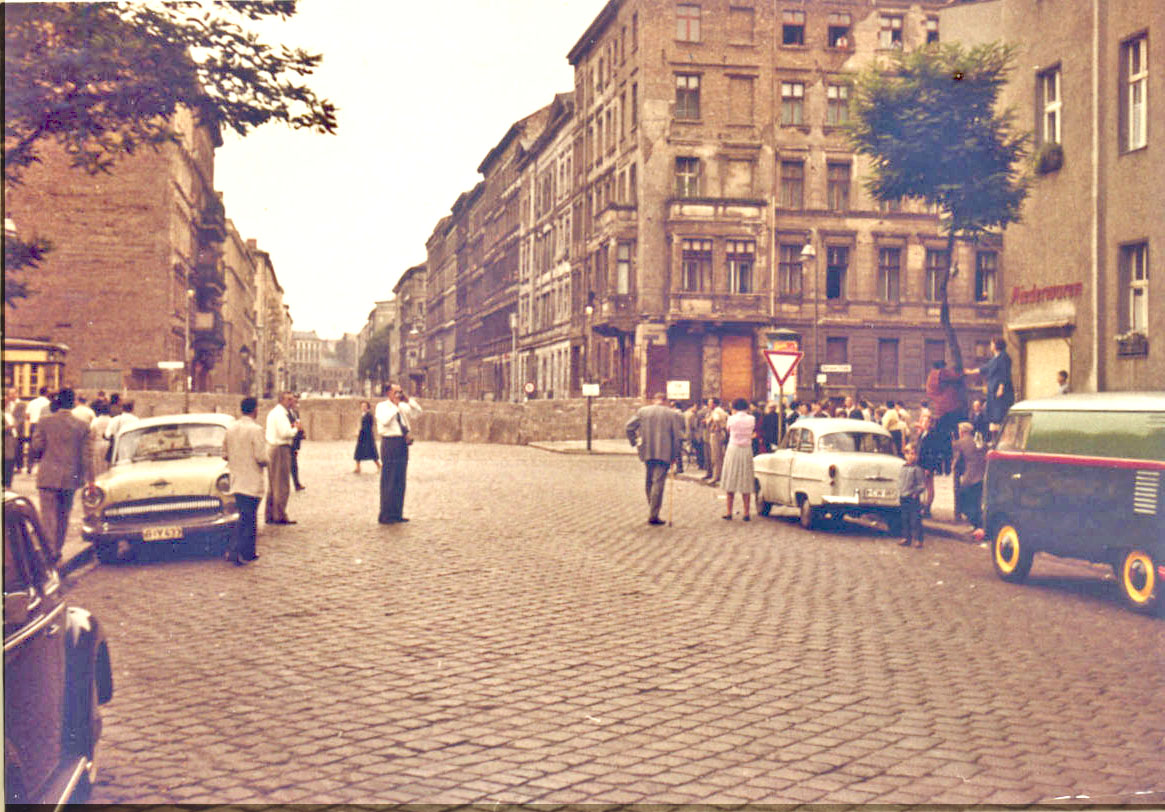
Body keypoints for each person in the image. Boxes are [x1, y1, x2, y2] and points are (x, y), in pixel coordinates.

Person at [29, 389, 92, 561]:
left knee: (48, 516)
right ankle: (57, 549)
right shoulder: (82, 426)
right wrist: (91, 481)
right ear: (73, 403)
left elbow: (37, 447)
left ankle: (49, 551)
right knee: (64, 515)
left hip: (48, 476)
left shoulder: (44, 422)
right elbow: (87, 456)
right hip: (70, 478)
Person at [625, 392, 684, 525]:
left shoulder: (643, 411)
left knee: (649, 480)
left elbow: (628, 427)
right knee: (658, 482)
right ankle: (653, 513)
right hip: (664, 452)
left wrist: (634, 442)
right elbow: (677, 437)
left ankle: (652, 506)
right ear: (665, 401)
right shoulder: (672, 414)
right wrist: (675, 455)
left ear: (654, 400)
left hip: (647, 450)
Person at [223, 397, 268, 565]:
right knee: (249, 519)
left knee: (243, 515)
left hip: (236, 480)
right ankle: (243, 552)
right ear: (254, 410)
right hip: (252, 480)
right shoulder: (256, 430)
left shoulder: (231, 429)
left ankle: (238, 551)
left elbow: (225, 454)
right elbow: (261, 457)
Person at [376, 383, 422, 524]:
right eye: (396, 392)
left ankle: (397, 513)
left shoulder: (402, 406)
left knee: (400, 479)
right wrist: (395, 406)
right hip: (390, 442)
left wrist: (408, 400)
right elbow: (384, 421)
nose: (399, 395)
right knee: (389, 478)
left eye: (400, 392)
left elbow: (418, 412)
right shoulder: (382, 406)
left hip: (402, 442)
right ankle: (385, 514)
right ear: (389, 393)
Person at [966, 338, 1014, 439]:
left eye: (992, 343)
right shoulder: (994, 359)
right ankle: (994, 439)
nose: (991, 345)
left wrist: (1001, 387)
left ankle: (1001, 437)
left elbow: (1005, 373)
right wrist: (970, 372)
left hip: (999, 391)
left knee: (999, 414)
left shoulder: (1004, 357)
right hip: (992, 390)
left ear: (996, 345)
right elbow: (984, 368)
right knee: (992, 416)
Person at [264, 391, 300, 525]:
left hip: (273, 447)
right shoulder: (280, 415)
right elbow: (285, 433)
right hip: (280, 449)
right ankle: (279, 515)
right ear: (282, 400)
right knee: (281, 484)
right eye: (289, 399)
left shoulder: (276, 413)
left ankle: (270, 514)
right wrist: (296, 429)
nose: (292, 402)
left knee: (273, 484)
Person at [720, 398, 757, 521]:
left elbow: (728, 430)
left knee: (731, 478)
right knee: (745, 479)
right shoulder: (752, 419)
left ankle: (729, 511)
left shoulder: (731, 419)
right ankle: (746, 513)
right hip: (746, 449)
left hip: (733, 448)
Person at [952, 422, 986, 530]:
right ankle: (978, 525)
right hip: (981, 475)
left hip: (969, 476)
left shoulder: (959, 443)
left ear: (961, 431)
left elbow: (957, 461)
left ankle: (974, 522)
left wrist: (953, 466)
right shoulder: (978, 441)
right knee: (977, 501)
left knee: (965, 499)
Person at [897, 443, 926, 549]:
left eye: (913, 454)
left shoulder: (917, 469)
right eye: (908, 453)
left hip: (912, 497)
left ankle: (918, 539)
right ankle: (906, 537)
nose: (910, 456)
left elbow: (921, 484)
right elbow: (900, 481)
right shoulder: (903, 468)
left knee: (915, 519)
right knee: (904, 518)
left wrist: (916, 493)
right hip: (903, 496)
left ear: (916, 456)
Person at [25, 386, 52, 473]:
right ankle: (42, 467)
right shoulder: (48, 403)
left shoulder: (32, 402)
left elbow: (27, 416)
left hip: (33, 424)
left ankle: (29, 467)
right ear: (47, 393)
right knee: (44, 446)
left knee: (32, 446)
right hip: (44, 425)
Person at [704, 398, 727, 485]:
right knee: (720, 456)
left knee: (715, 456)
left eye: (710, 403)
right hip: (720, 434)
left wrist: (716, 427)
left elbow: (716, 419)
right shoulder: (721, 410)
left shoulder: (716, 411)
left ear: (714, 404)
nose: (709, 404)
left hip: (716, 434)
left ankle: (715, 476)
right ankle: (720, 475)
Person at [353, 400, 380, 473]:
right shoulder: (363, 415)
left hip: (367, 437)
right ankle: (358, 467)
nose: (363, 408)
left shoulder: (369, 415)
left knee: (372, 452)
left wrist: (360, 432)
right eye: (362, 406)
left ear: (368, 407)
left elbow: (368, 426)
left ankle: (379, 466)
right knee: (358, 452)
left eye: (364, 406)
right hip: (362, 436)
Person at [89, 399, 113, 477]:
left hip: (98, 444)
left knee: (98, 465)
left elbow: (91, 433)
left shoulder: (95, 421)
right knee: (108, 465)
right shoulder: (112, 421)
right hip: (109, 444)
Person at [289, 394, 305, 491]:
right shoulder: (287, 413)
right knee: (292, 464)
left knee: (294, 463)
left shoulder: (295, 412)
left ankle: (296, 483)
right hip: (289, 440)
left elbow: (298, 424)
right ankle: (296, 483)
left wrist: (302, 432)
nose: (296, 404)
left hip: (295, 441)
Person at [3, 389, 17, 487]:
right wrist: (7, 428)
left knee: (10, 462)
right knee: (7, 461)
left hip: (12, 440)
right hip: (6, 440)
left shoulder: (9, 414)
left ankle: (8, 483)